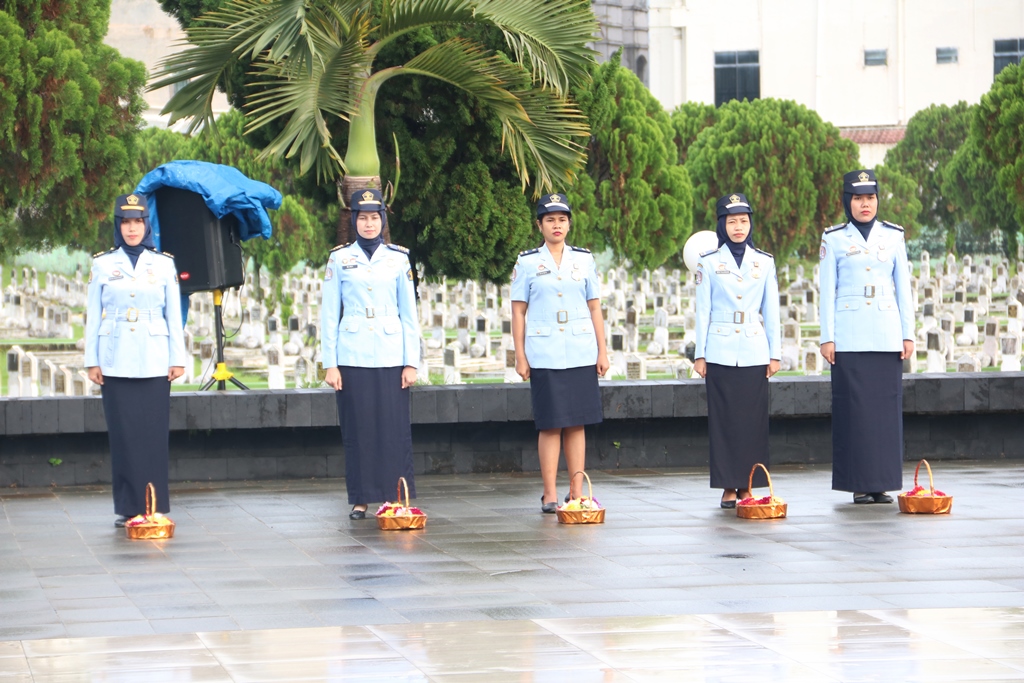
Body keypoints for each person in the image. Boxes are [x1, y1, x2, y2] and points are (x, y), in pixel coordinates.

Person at [84, 193, 187, 527]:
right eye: (126, 222)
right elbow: (92, 317)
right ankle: (129, 507)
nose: (132, 229)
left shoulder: (163, 264)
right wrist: (91, 360)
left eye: (137, 222)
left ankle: (153, 505)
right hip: (114, 358)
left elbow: (173, 315)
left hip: (154, 358)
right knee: (124, 435)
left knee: (154, 434)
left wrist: (177, 358)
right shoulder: (102, 264)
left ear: (146, 225)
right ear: (118, 226)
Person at [321, 189, 421, 520]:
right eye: (362, 217)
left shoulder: (399, 258)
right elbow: (328, 313)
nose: (368, 224)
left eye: (374, 217)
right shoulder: (339, 259)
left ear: (383, 220)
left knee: (394, 429)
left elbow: (409, 314)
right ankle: (361, 497)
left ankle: (396, 496)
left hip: (392, 355)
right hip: (353, 355)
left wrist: (411, 362)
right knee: (359, 429)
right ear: (353, 220)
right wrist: (330, 363)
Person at [819, 169, 915, 504]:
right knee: (854, 411)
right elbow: (826, 291)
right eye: (858, 198)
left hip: (887, 334)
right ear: (848, 201)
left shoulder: (894, 237)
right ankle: (859, 482)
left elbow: (904, 288)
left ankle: (882, 482)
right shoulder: (833, 239)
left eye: (870, 198)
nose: (865, 204)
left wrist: (908, 334)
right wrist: (827, 338)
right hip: (849, 336)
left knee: (885, 411)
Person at [511, 193, 610, 513]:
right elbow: (518, 311)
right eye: (550, 219)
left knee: (577, 423)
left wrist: (602, 351)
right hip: (544, 351)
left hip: (580, 350)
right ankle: (550, 492)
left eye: (562, 219)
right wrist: (520, 355)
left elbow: (595, 307)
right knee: (550, 423)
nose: (557, 225)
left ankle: (577, 490)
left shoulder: (584, 260)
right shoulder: (527, 262)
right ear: (539, 224)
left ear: (569, 224)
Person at [693, 193, 781, 508]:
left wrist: (775, 353)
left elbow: (772, 310)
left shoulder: (765, 261)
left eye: (743, 221)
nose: (738, 227)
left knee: (752, 422)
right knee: (724, 420)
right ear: (722, 225)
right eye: (732, 221)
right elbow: (702, 310)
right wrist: (699, 354)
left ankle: (747, 486)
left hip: (755, 349)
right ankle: (728, 486)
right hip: (719, 348)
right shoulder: (709, 261)